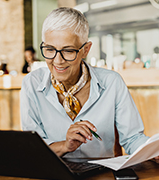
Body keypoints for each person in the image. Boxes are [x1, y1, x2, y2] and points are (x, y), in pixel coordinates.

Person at [20, 7, 159, 160]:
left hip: (102, 174)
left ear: (86, 50)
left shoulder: (112, 82)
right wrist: (65, 146)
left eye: (68, 51)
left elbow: (133, 139)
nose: (58, 61)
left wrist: (154, 151)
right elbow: (32, 149)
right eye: (50, 49)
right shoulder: (31, 84)